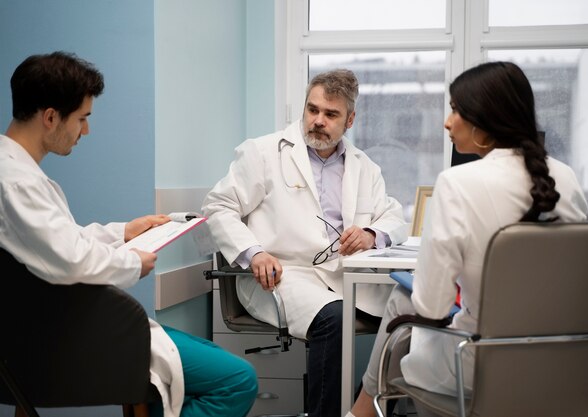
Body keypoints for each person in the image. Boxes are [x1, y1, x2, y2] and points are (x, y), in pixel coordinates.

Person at [0, 51, 258, 417]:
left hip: (64, 331)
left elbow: (57, 241)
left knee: (211, 361)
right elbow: (69, 260)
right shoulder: (16, 182)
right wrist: (132, 262)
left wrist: (124, 232)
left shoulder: (15, 173)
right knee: (239, 379)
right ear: (51, 117)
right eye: (82, 118)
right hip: (68, 341)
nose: (85, 131)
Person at [347, 61, 588, 417]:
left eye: (456, 109)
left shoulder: (457, 183)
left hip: (479, 367)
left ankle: (358, 413)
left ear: (484, 120)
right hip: (567, 365)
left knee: (406, 308)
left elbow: (431, 306)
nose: (447, 121)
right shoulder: (565, 177)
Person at [202, 68, 408, 417]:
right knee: (335, 318)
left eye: (331, 114)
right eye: (312, 110)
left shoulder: (364, 167)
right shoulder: (264, 153)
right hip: (281, 277)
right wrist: (254, 252)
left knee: (412, 311)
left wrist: (372, 234)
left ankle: (365, 408)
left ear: (350, 119)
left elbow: (394, 217)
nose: (318, 121)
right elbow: (217, 207)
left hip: (342, 277)